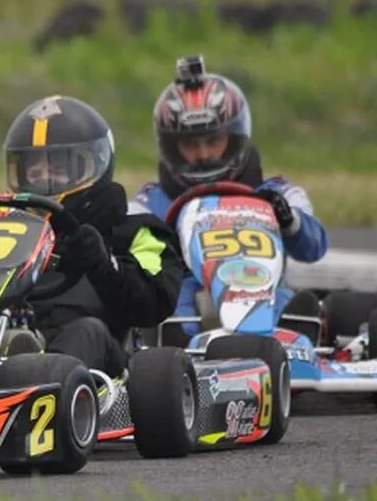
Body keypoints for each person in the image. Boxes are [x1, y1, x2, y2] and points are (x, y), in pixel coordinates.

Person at [128, 55, 328, 336]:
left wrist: (288, 220)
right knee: (169, 312)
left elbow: (314, 248)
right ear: (171, 146)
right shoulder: (150, 201)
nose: (204, 154)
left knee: (289, 306)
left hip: (262, 288)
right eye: (189, 144)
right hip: (187, 295)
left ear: (234, 138)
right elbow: (126, 249)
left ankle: (291, 340)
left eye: (213, 141)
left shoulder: (278, 193)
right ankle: (178, 351)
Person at [2, 95, 183, 376]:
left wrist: (103, 265)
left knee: (87, 331)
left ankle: (40, 387)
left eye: (58, 170)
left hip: (102, 368)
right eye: (34, 173)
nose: (43, 183)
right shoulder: (9, 235)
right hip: (11, 350)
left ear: (95, 165)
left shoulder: (133, 231)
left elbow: (154, 303)